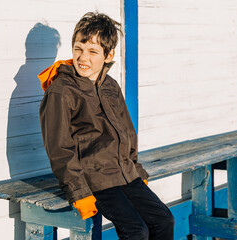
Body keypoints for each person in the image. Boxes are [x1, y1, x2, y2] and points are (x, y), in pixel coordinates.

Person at [38, 12, 174, 239]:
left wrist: (136, 170)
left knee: (164, 219)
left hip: (125, 174)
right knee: (136, 231)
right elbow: (59, 148)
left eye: (93, 52)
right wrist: (78, 191)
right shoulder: (62, 90)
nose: (83, 58)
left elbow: (127, 132)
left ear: (108, 55)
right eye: (78, 49)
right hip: (94, 179)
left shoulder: (110, 86)